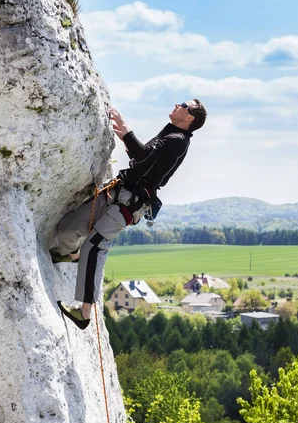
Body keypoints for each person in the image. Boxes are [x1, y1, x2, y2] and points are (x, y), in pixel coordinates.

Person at [52, 99, 207, 329]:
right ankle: (71, 255)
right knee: (67, 228)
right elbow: (145, 162)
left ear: (189, 118)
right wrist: (126, 141)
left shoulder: (178, 140)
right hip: (118, 192)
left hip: (128, 205)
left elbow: (144, 155)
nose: (176, 104)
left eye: (184, 104)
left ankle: (84, 313)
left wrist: (124, 129)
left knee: (94, 246)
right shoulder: (171, 133)